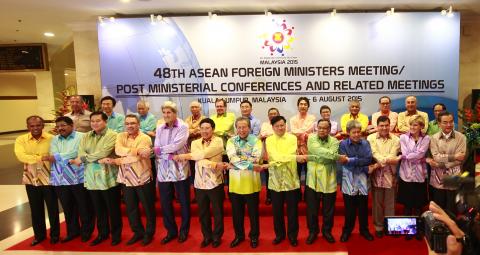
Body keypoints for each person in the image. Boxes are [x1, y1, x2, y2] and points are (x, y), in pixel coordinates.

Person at [173, 118, 228, 248]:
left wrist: (186, 156)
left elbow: (202, 155)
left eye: (207, 128)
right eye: (202, 128)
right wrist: (214, 164)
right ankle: (207, 236)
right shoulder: (195, 143)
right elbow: (198, 158)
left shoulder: (218, 141)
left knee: (218, 212)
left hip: (215, 182)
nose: (204, 131)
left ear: (213, 129)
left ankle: (217, 237)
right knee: (203, 213)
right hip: (199, 183)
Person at [71, 111, 122, 246]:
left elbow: (104, 152)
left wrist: (83, 159)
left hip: (108, 178)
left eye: (98, 121)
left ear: (105, 121)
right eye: (92, 121)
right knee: (98, 209)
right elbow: (81, 152)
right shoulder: (86, 136)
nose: (94, 123)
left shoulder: (113, 135)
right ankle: (102, 234)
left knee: (113, 209)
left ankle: (116, 235)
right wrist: (93, 159)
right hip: (92, 178)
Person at [14, 115, 60, 246]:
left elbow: (54, 156)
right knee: (35, 209)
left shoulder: (52, 139)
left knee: (52, 208)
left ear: (43, 126)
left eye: (38, 125)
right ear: (27, 127)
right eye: (32, 126)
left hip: (49, 178)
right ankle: (39, 236)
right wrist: (41, 158)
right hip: (31, 177)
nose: (35, 128)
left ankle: (55, 235)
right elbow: (21, 156)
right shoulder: (21, 140)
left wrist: (32, 158)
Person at [48, 116, 93, 243]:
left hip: (78, 177)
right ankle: (73, 231)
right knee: (68, 207)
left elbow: (77, 152)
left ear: (71, 125)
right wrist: (62, 157)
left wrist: (59, 157)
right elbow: (53, 153)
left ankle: (86, 231)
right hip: (60, 179)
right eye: (58, 126)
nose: (60, 128)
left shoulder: (82, 136)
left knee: (84, 206)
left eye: (63, 125)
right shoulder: (55, 139)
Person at [114, 114, 156, 246]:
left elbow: (140, 157)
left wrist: (119, 160)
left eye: (133, 123)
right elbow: (118, 149)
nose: (130, 126)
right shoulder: (120, 136)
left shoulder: (145, 137)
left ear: (138, 125)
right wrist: (136, 151)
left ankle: (149, 233)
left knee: (148, 207)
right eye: (127, 123)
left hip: (142, 177)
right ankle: (138, 232)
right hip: (126, 178)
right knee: (131, 208)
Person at [154, 101, 191, 244]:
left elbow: (177, 145)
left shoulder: (183, 127)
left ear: (175, 113)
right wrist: (166, 154)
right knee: (165, 202)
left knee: (184, 202)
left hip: (180, 169)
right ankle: (171, 231)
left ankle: (184, 231)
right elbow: (157, 146)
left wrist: (160, 151)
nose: (166, 115)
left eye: (169, 112)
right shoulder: (159, 128)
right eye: (164, 112)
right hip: (163, 170)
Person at [305, 119, 346, 244]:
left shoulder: (334, 141)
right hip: (313, 179)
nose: (322, 130)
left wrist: (316, 157)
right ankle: (313, 232)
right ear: (316, 128)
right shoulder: (311, 138)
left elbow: (329, 155)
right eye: (320, 128)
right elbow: (325, 153)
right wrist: (336, 157)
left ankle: (327, 231)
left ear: (329, 130)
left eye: (325, 128)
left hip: (329, 179)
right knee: (312, 209)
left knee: (329, 209)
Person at [226, 117, 265, 248]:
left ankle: (254, 236)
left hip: (252, 183)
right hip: (235, 184)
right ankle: (239, 236)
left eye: (244, 127)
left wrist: (237, 163)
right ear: (236, 128)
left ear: (249, 127)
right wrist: (247, 163)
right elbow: (232, 157)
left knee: (253, 213)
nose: (242, 130)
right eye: (239, 127)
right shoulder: (231, 141)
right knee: (237, 213)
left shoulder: (256, 141)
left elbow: (255, 158)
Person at [265, 116, 301, 247]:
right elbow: (273, 155)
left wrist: (282, 158)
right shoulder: (269, 140)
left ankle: (292, 236)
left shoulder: (292, 138)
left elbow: (291, 153)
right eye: (277, 126)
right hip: (275, 180)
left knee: (292, 210)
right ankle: (279, 235)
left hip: (291, 179)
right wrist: (286, 158)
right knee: (277, 211)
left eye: (282, 125)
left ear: (286, 125)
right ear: (273, 127)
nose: (280, 128)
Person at [339, 120, 374, 242]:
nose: (357, 134)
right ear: (348, 133)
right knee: (349, 209)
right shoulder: (343, 144)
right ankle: (347, 231)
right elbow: (344, 163)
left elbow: (368, 159)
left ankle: (364, 230)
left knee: (363, 208)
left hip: (362, 178)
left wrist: (351, 159)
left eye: (359, 132)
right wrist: (359, 162)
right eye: (354, 132)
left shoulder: (366, 143)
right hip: (348, 178)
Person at [367, 116, 401, 238]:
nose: (384, 128)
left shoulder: (396, 139)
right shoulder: (370, 138)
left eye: (386, 125)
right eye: (381, 125)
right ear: (377, 126)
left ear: (390, 125)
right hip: (376, 174)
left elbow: (393, 154)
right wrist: (389, 160)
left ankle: (390, 226)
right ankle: (379, 227)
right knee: (377, 203)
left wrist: (388, 159)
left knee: (390, 202)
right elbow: (374, 153)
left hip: (390, 174)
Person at [398, 114, 430, 240]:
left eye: (415, 124)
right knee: (407, 205)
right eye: (410, 124)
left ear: (421, 126)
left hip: (420, 175)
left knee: (418, 204)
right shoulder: (403, 137)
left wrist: (412, 156)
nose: (412, 127)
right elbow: (405, 153)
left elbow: (420, 153)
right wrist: (416, 156)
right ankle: (408, 230)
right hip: (406, 175)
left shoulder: (426, 138)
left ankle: (418, 230)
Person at [427, 112, 466, 214]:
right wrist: (453, 156)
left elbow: (460, 159)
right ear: (439, 124)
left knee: (451, 208)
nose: (449, 125)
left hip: (453, 176)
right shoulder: (433, 138)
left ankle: (451, 229)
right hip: (437, 177)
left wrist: (440, 164)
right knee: (438, 207)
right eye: (445, 122)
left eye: (451, 122)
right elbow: (436, 157)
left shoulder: (461, 137)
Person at [290, 97, 316, 199]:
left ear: (308, 106)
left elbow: (309, 130)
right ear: (298, 106)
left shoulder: (312, 118)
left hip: (308, 149)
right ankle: (297, 194)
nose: (303, 106)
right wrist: (303, 133)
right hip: (296, 150)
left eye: (305, 104)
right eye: (301, 104)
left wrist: (298, 132)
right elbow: (293, 130)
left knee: (309, 173)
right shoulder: (292, 119)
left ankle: (307, 194)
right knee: (296, 173)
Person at [259, 107, 281, 205]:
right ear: (268, 116)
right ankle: (269, 196)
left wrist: (270, 135)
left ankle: (280, 195)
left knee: (280, 176)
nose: (273, 115)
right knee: (268, 177)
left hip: (280, 155)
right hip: (267, 155)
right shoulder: (264, 124)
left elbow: (281, 134)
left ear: (278, 114)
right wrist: (274, 134)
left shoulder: (282, 124)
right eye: (271, 114)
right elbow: (263, 134)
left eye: (274, 113)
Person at [185, 101, 206, 203]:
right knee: (194, 174)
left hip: (203, 151)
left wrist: (191, 131)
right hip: (190, 151)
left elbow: (203, 132)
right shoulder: (187, 120)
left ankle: (205, 195)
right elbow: (184, 133)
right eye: (192, 107)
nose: (194, 109)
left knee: (203, 172)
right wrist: (194, 131)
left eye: (196, 107)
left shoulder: (205, 119)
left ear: (200, 108)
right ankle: (197, 196)